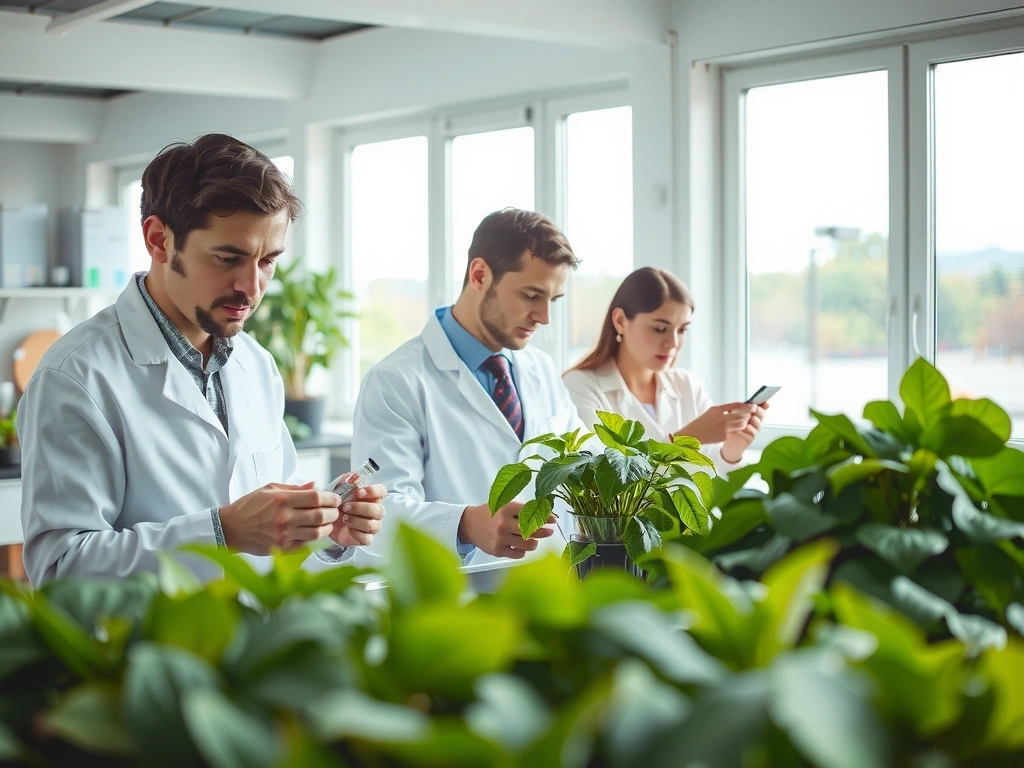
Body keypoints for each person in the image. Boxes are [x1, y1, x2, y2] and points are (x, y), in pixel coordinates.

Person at [17, 134, 385, 586]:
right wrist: (221, 533)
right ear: (159, 240)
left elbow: (274, 547)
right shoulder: (76, 376)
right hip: (147, 653)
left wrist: (325, 534)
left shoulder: (257, 365)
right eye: (229, 257)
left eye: (268, 261)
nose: (252, 287)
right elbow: (60, 569)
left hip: (252, 650)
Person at [351, 209, 584, 566]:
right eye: (531, 295)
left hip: (546, 592)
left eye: (552, 300)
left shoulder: (542, 369)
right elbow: (379, 514)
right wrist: (464, 525)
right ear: (480, 275)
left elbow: (582, 462)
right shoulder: (395, 380)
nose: (544, 317)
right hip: (456, 601)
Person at [563, 267, 765, 474]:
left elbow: (712, 482)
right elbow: (602, 483)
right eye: (660, 329)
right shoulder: (578, 387)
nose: (673, 343)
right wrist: (686, 439)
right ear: (621, 321)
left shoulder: (687, 386)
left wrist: (731, 451)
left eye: (682, 329)